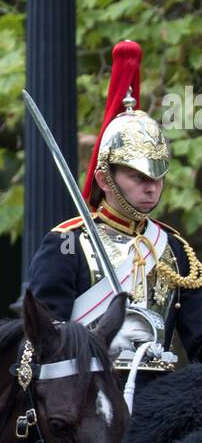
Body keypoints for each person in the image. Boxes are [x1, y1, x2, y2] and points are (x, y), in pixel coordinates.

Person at [26, 39, 202, 386]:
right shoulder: (69, 244)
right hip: (84, 399)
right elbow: (43, 343)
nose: (151, 187)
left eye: (157, 177)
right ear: (105, 178)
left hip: (156, 401)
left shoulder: (176, 250)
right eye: (138, 177)